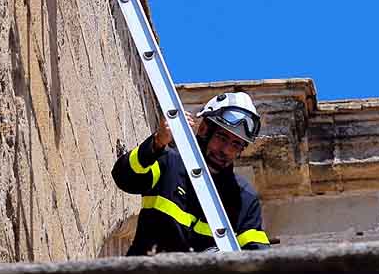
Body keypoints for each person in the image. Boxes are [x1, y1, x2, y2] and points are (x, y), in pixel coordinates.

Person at [112, 91, 270, 254]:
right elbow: (125, 177)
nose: (226, 150)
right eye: (222, 138)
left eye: (236, 145)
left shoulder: (244, 198)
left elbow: (257, 256)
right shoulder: (168, 163)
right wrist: (157, 142)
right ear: (203, 129)